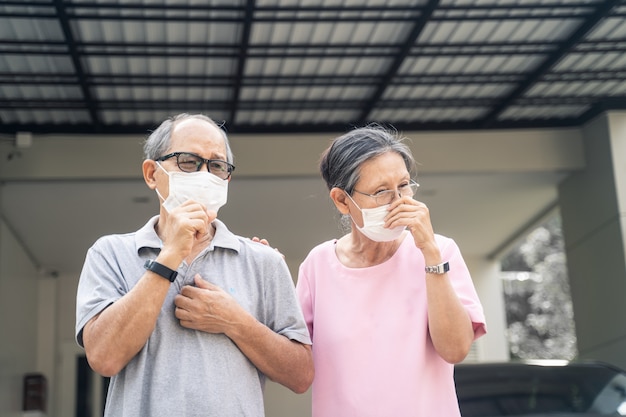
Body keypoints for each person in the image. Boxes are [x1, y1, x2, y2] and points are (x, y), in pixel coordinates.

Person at [75, 113, 314, 417]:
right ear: (152, 173)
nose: (205, 174)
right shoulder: (110, 253)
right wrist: (169, 256)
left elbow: (300, 375)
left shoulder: (262, 261)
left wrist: (234, 321)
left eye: (217, 165)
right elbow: (104, 358)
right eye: (188, 161)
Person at [296, 125, 487, 417]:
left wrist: (430, 253)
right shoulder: (317, 265)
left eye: (404, 185)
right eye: (381, 191)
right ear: (342, 200)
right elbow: (295, 368)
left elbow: (456, 350)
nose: (399, 202)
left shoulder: (441, 251)